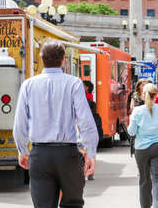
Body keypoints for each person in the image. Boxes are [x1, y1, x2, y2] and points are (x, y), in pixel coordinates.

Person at [13, 40, 98, 208]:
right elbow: (86, 121)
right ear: (63, 60)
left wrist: (22, 150)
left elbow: (20, 123)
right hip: (68, 155)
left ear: (42, 58)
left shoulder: (28, 85)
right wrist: (91, 152)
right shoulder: (74, 83)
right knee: (73, 203)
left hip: (40, 154)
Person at [128, 83, 158, 208]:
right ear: (156, 95)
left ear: (143, 95)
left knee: (144, 180)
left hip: (142, 148)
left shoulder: (137, 111)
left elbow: (131, 132)